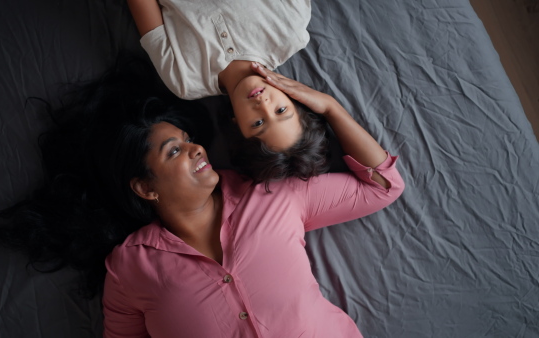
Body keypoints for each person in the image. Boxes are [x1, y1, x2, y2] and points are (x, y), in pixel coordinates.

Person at [101, 67, 405, 337]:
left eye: (188, 139)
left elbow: (383, 185)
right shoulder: (127, 269)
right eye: (174, 151)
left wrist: (330, 107)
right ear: (145, 188)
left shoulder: (276, 196)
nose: (196, 149)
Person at [127, 0, 330, 184]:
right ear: (293, 99)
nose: (263, 105)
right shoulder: (291, 29)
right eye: (281, 110)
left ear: (237, 127)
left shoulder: (185, 81)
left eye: (258, 123)